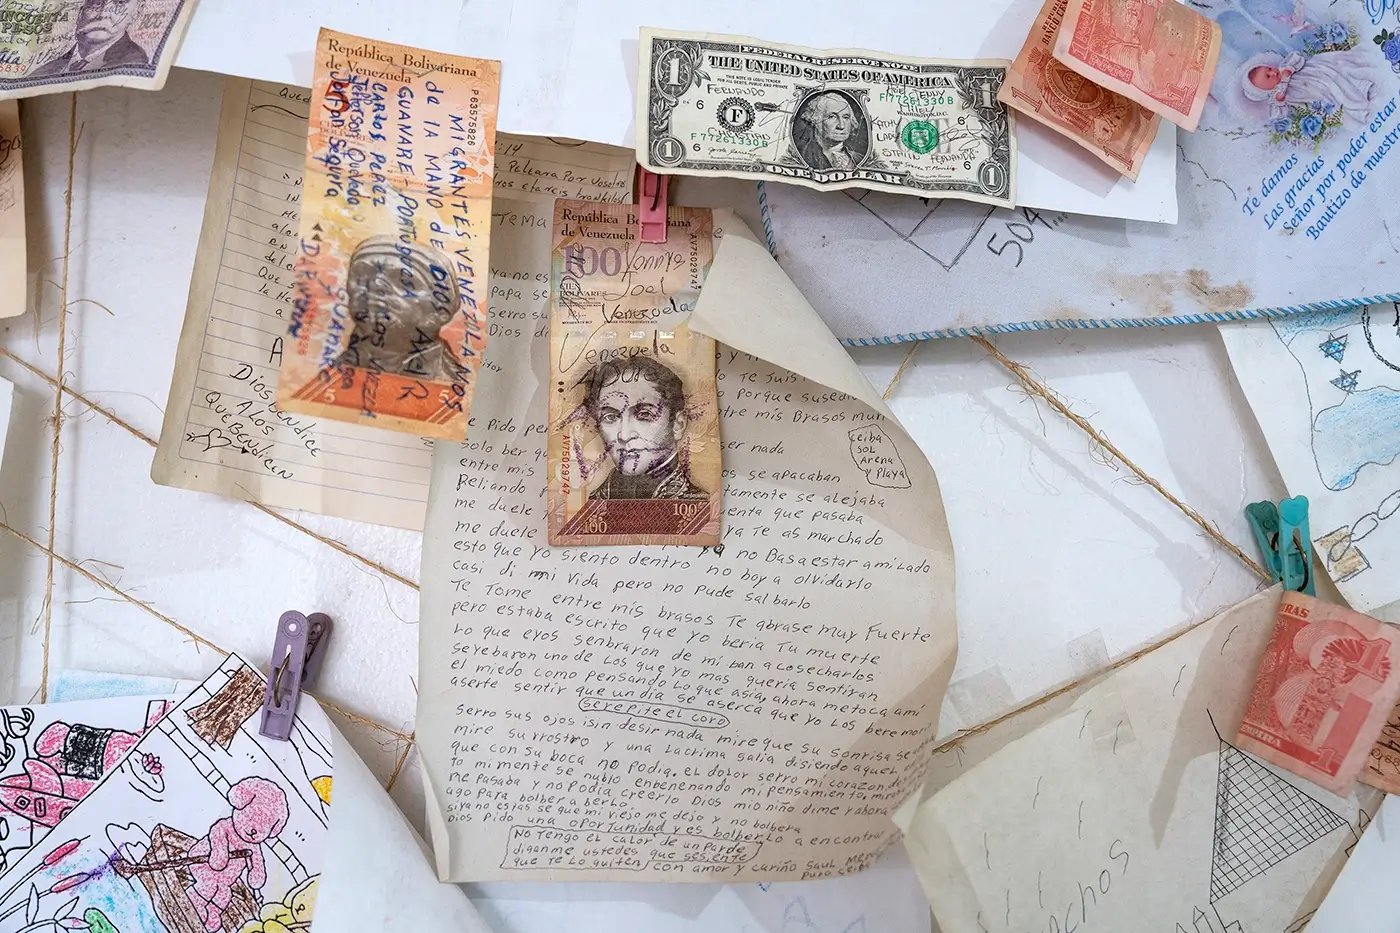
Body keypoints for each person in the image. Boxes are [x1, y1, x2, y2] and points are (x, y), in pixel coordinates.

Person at [580, 355, 708, 501]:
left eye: (644, 415)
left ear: (678, 425)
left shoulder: (699, 503)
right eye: (610, 417)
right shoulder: (591, 504)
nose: (624, 436)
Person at [1241, 47, 1378, 130]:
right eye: (1268, 77)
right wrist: (1280, 99)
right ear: (1264, 90)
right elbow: (1279, 117)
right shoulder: (1277, 98)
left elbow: (1297, 58)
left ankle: (1362, 88)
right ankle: (1359, 109)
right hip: (1315, 94)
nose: (1273, 72)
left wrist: (1289, 69)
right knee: (1334, 100)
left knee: (1337, 76)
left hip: (1318, 73)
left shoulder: (1284, 67)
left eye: (1269, 69)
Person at [31, 0, 150, 76]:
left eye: (120, 2)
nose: (103, 14)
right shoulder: (42, 72)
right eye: (96, 2)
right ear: (80, 12)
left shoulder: (135, 63)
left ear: (137, 11)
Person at [793, 91, 869, 170]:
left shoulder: (858, 158)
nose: (841, 126)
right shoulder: (801, 156)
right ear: (816, 120)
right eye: (832, 117)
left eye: (845, 117)